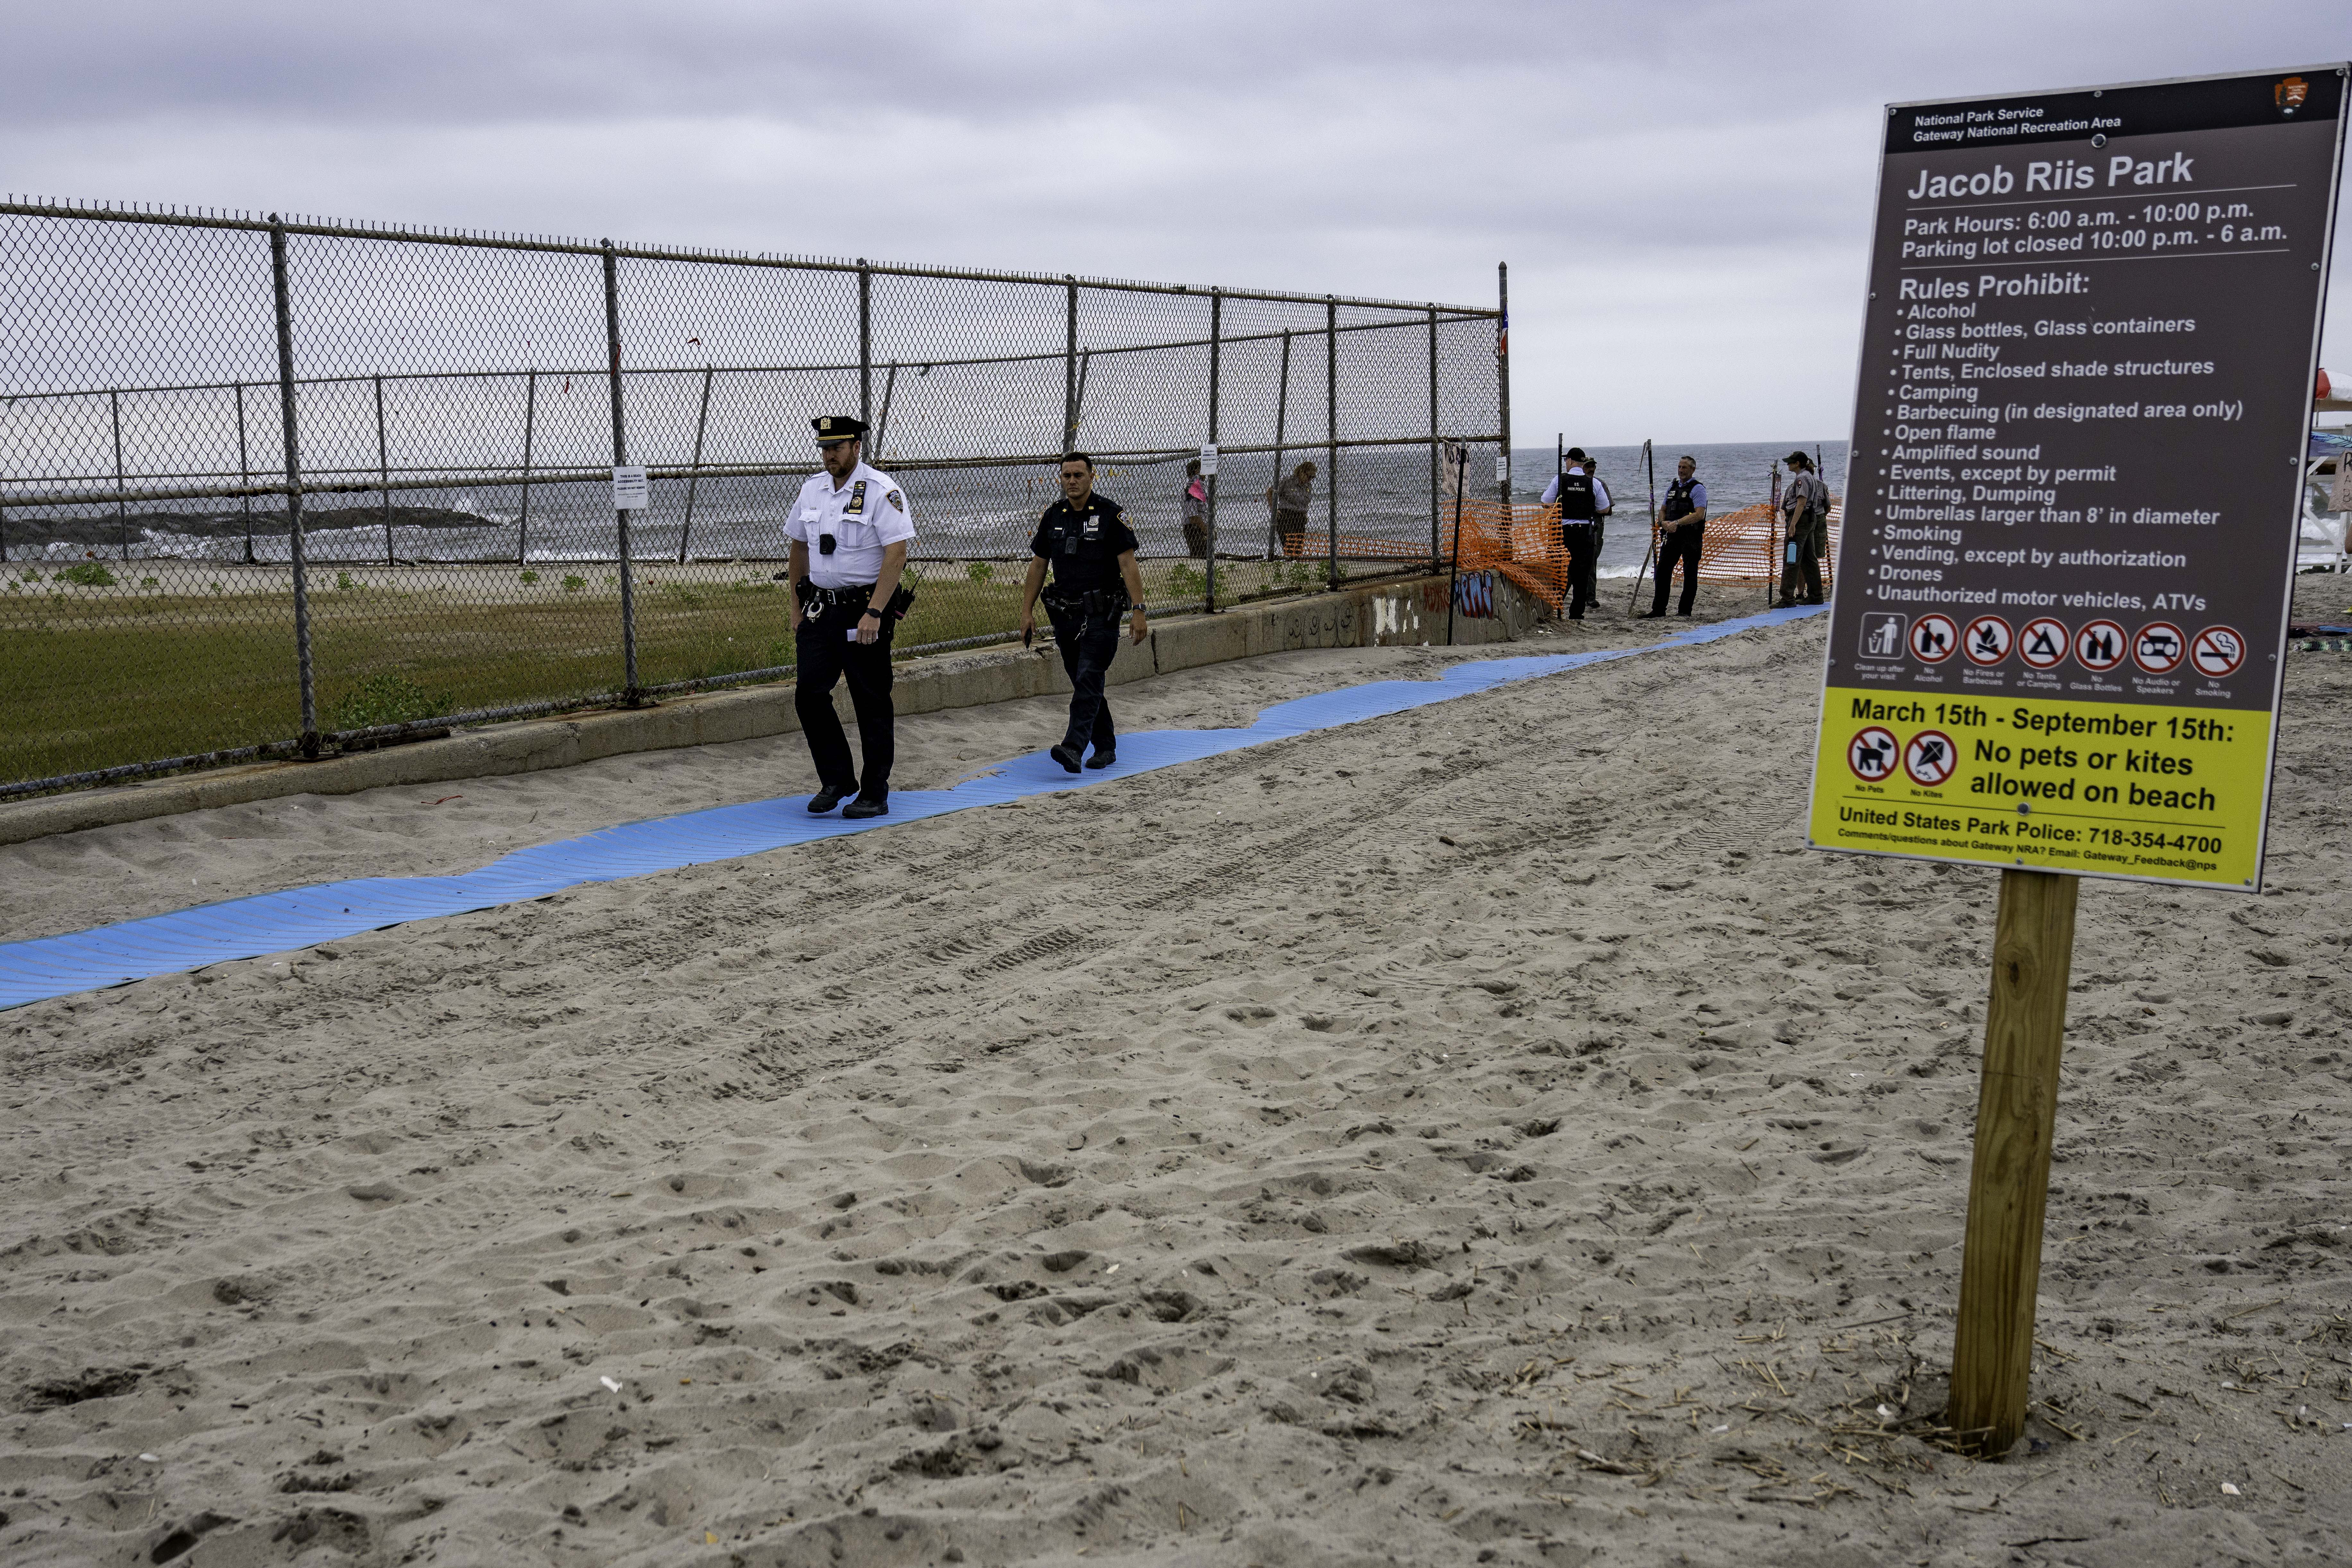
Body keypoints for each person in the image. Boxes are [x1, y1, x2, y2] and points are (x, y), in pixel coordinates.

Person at [786, 415, 915, 818]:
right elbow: (798, 549)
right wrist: (795, 610)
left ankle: (875, 792)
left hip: (863, 610)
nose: (829, 455)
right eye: (824, 448)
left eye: (837, 448)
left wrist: (875, 611)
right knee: (809, 695)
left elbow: (897, 553)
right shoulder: (811, 491)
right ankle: (838, 779)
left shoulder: (881, 491)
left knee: (871, 700)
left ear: (856, 447)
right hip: (818, 609)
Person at [1020, 452, 1149, 772]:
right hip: (1066, 617)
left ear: (1092, 477)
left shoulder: (1110, 515)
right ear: (1060, 480)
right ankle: (1105, 747)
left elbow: (1127, 564)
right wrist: (1026, 611)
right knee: (1084, 682)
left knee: (1090, 676)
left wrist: (1139, 610)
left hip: (1102, 614)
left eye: (1078, 475)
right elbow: (1038, 565)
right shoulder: (1053, 515)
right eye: (1067, 476)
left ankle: (1074, 747)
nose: (1072, 481)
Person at [1539, 446, 1609, 619]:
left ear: (1571, 461)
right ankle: (1577, 613)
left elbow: (1545, 503)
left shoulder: (1560, 480)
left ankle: (1556, 607)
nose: (1565, 464)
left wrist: (1562, 506)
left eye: (1566, 461)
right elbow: (1605, 508)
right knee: (1582, 574)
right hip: (1585, 532)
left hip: (1563, 533)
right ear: (1583, 463)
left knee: (1560, 571)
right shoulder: (1594, 483)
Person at [1643, 454, 1709, 618]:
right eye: (1679, 467)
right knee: (1663, 571)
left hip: (1690, 537)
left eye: (1685, 467)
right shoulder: (1672, 487)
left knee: (1690, 573)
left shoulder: (1698, 489)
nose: (1681, 470)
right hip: (1671, 535)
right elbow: (1663, 509)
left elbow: (1700, 514)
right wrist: (1663, 522)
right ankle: (1658, 610)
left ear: (1693, 469)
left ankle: (1685, 611)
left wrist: (1677, 523)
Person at [1778, 449, 1829, 607]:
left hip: (1800, 520)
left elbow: (1801, 502)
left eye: (1791, 462)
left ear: (1797, 464)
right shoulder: (1811, 478)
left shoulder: (1801, 479)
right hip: (1810, 519)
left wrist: (1793, 524)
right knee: (1809, 559)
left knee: (1791, 558)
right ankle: (1816, 595)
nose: (1788, 465)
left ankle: (1787, 598)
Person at [1267, 460, 1315, 559]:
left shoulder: (1308, 486)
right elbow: (1270, 492)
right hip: (1286, 517)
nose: (1310, 479)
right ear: (1301, 472)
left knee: (1298, 549)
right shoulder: (1288, 482)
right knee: (1290, 546)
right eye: (1308, 476)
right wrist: (1273, 510)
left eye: (1312, 477)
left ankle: (1295, 568)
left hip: (1300, 518)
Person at [1180, 459, 1210, 560]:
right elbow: (1193, 517)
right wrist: (1207, 530)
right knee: (1201, 559)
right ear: (1197, 471)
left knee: (1204, 557)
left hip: (1198, 528)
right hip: (1194, 529)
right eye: (1203, 469)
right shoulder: (1192, 489)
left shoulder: (1197, 487)